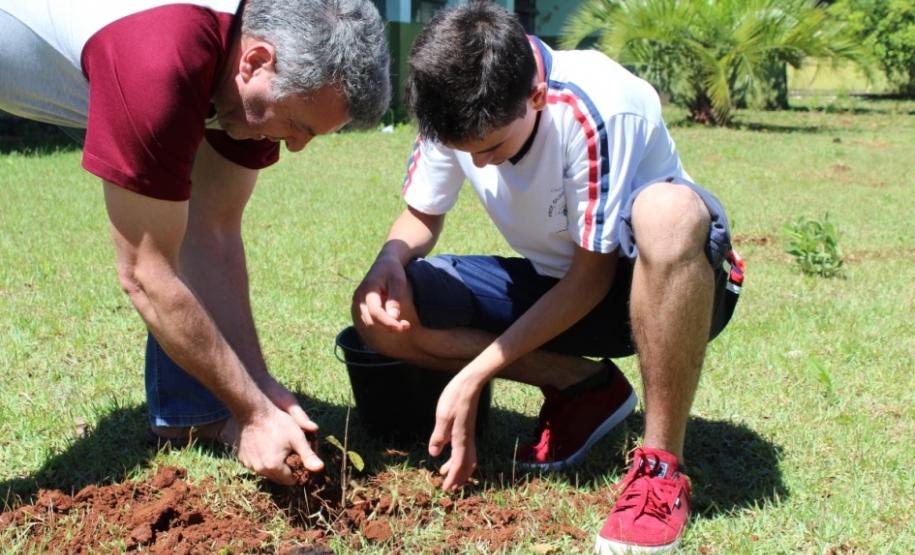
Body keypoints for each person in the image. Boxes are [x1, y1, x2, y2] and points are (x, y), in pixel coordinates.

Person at [351, 1, 743, 553]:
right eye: (467, 153)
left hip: (668, 286)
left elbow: (591, 278)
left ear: (535, 96)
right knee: (387, 310)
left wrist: (472, 374)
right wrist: (387, 263)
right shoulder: (455, 100)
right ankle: (583, 387)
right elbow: (422, 214)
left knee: (667, 214)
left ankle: (660, 471)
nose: (482, 165)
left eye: (491, 149)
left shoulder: (600, 104)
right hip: (559, 285)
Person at [0, 0, 390, 485]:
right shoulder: (159, 59)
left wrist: (258, 385)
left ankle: (192, 415)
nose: (295, 146)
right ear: (254, 62)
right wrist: (252, 415)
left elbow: (215, 234)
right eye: (300, 126)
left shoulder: (256, 76)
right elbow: (147, 275)